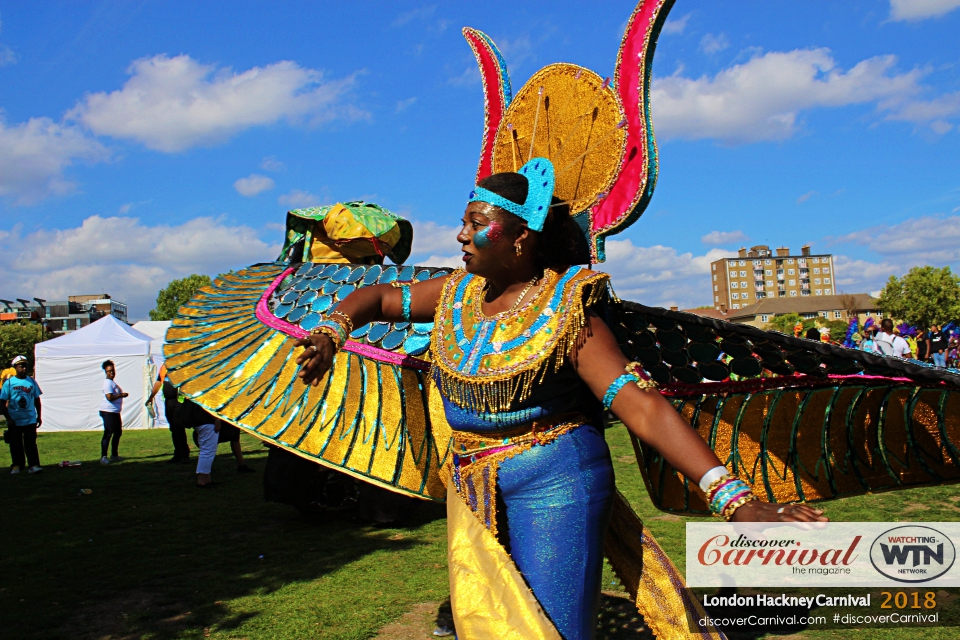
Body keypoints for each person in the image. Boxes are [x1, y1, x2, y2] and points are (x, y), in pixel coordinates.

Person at [294, 159, 826, 639]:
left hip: (555, 478)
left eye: (476, 223)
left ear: (520, 237)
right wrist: (332, 331)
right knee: (489, 617)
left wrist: (734, 499)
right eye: (464, 221)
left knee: (552, 628)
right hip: (471, 479)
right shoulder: (458, 292)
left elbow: (637, 403)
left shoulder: (567, 308)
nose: (460, 234)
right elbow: (380, 297)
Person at [0, 355, 43, 474]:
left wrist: (38, 416)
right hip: (15, 419)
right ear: (15, 367)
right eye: (21, 366)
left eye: (26, 366)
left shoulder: (31, 381)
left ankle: (34, 465)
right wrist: (8, 418)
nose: (24, 368)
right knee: (15, 443)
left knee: (30, 443)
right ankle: (17, 465)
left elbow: (36, 399)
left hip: (29, 419)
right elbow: (2, 402)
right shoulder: (9, 383)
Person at [146, 363, 190, 463]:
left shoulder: (181, 364)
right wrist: (151, 397)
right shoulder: (164, 367)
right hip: (168, 402)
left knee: (178, 427)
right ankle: (178, 453)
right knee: (173, 428)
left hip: (179, 401)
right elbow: (159, 382)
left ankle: (184, 455)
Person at [178, 397, 221, 487]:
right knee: (208, 451)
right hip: (206, 420)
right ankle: (202, 480)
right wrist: (216, 418)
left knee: (206, 450)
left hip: (199, 420)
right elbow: (206, 402)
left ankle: (207, 478)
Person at [99, 360, 128, 464]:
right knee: (108, 433)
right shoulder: (107, 383)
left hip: (114, 412)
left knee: (118, 432)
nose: (111, 373)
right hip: (108, 411)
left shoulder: (112, 382)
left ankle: (114, 455)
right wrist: (122, 395)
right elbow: (109, 397)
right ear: (105, 372)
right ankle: (103, 456)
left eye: (112, 370)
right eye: (109, 371)